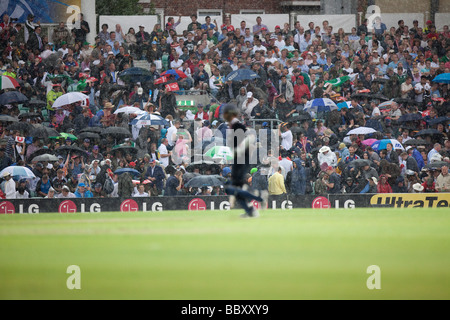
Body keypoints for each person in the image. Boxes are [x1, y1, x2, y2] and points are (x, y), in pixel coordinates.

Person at [221, 104, 266, 218]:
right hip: (238, 159)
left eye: (225, 113)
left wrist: (238, 150)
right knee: (236, 188)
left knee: (234, 188)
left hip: (241, 159)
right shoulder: (233, 126)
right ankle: (251, 210)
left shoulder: (237, 126)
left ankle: (259, 197)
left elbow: (250, 138)